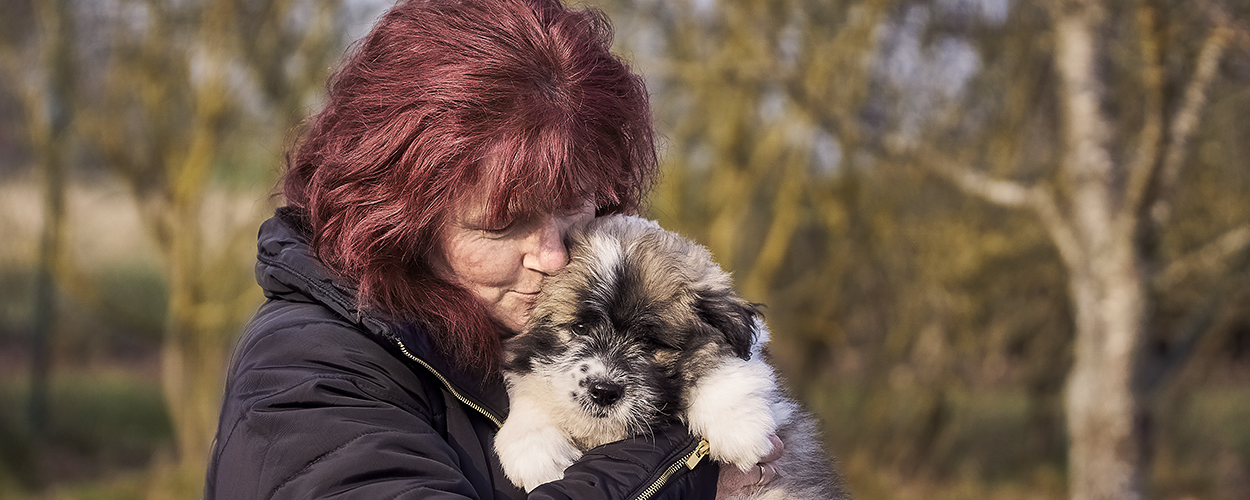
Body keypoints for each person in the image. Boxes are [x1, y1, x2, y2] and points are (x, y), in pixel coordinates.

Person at [205, 0, 782, 498]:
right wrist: (685, 467)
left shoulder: (528, 314)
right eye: (502, 225)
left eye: (572, 205)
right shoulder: (305, 381)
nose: (554, 257)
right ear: (401, 221)